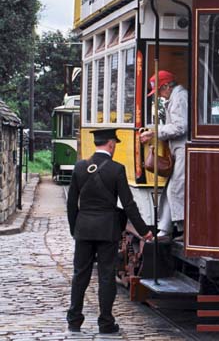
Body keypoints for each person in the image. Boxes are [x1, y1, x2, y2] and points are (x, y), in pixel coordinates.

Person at [66, 128, 153, 335]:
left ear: (97, 143)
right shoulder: (117, 169)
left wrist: (74, 229)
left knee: (80, 275)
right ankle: (105, 323)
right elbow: (129, 205)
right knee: (106, 276)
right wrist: (144, 231)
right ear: (111, 144)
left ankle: (74, 320)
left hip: (84, 229)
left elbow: (71, 204)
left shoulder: (80, 167)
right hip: (107, 230)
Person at [140, 70, 188, 241]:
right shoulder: (175, 97)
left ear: (167, 86)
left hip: (183, 149)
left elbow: (180, 126)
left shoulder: (179, 97)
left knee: (177, 187)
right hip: (178, 149)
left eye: (160, 91)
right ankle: (168, 228)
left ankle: (183, 230)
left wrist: (155, 132)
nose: (159, 96)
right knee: (172, 188)